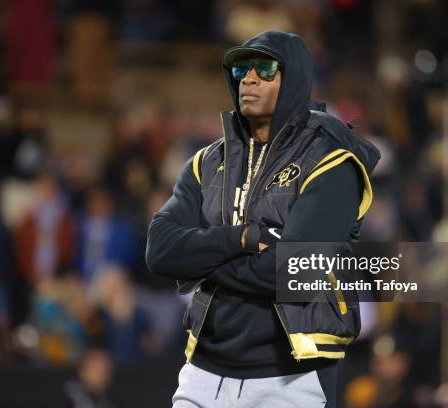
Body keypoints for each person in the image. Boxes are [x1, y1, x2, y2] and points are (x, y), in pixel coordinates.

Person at [146, 30, 380, 407]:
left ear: (295, 78)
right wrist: (240, 240)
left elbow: (295, 270)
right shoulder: (206, 163)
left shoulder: (331, 163)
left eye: (265, 68)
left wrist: (203, 262)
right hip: (202, 375)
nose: (249, 78)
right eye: (242, 68)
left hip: (289, 380)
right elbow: (159, 250)